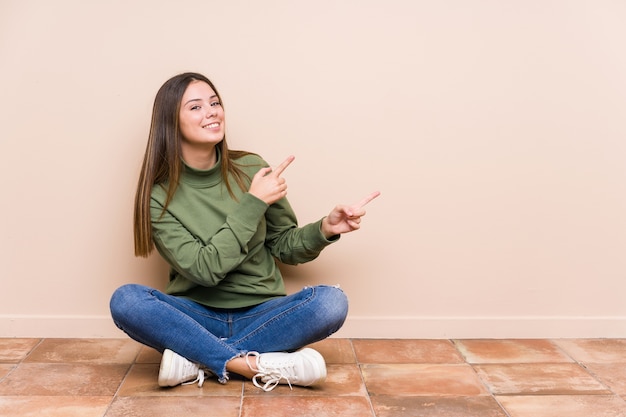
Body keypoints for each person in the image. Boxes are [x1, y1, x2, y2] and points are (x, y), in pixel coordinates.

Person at [109, 72, 379, 391]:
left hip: (264, 313)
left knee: (332, 302)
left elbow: (283, 246)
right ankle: (252, 365)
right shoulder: (158, 196)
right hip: (196, 315)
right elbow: (204, 269)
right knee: (126, 299)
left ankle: (199, 358)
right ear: (171, 122)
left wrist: (325, 228)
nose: (211, 111)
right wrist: (252, 202)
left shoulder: (252, 168)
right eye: (195, 107)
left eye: (214, 102)